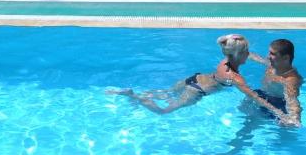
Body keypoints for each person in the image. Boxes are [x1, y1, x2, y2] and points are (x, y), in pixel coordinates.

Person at [108, 33, 251, 114]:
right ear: (241, 55)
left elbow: (238, 49)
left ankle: (135, 96)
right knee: (163, 111)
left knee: (167, 93)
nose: (249, 55)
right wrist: (273, 109)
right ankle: (134, 96)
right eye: (247, 53)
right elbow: (254, 97)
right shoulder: (234, 77)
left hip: (195, 78)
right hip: (197, 91)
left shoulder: (224, 60)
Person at [242, 38, 303, 127]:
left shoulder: (290, 80)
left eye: (272, 54)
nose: (268, 56)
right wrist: (239, 52)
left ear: (286, 58)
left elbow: (293, 101)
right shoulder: (274, 64)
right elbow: (257, 58)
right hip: (262, 95)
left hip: (277, 105)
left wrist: (294, 119)